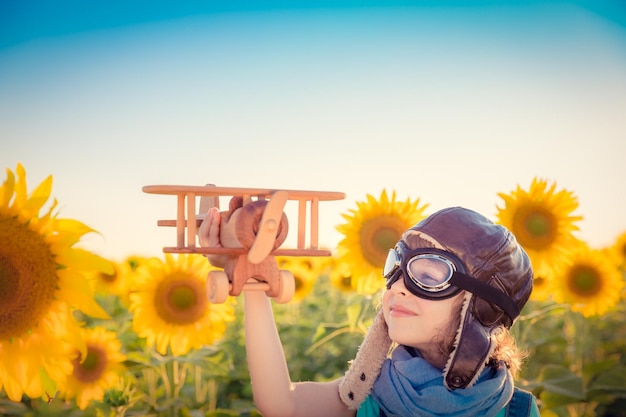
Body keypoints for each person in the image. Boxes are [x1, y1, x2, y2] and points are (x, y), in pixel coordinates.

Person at [199, 205, 541, 417]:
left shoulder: (518, 412)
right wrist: (251, 273)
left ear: (480, 306)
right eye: (396, 266)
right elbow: (280, 403)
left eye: (427, 275)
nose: (397, 285)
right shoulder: (369, 396)